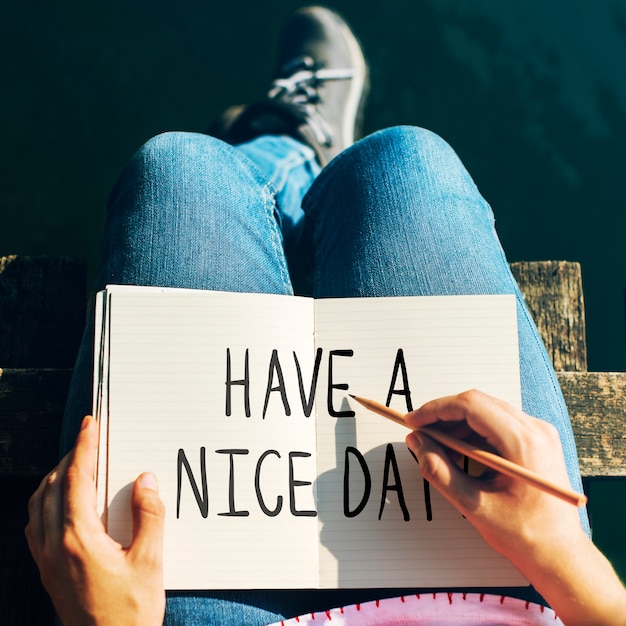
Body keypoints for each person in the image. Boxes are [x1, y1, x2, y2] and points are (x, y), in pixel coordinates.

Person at [25, 6, 626, 625]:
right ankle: (297, 159)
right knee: (402, 161)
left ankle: (279, 154)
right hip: (499, 600)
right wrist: (569, 558)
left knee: (180, 170)